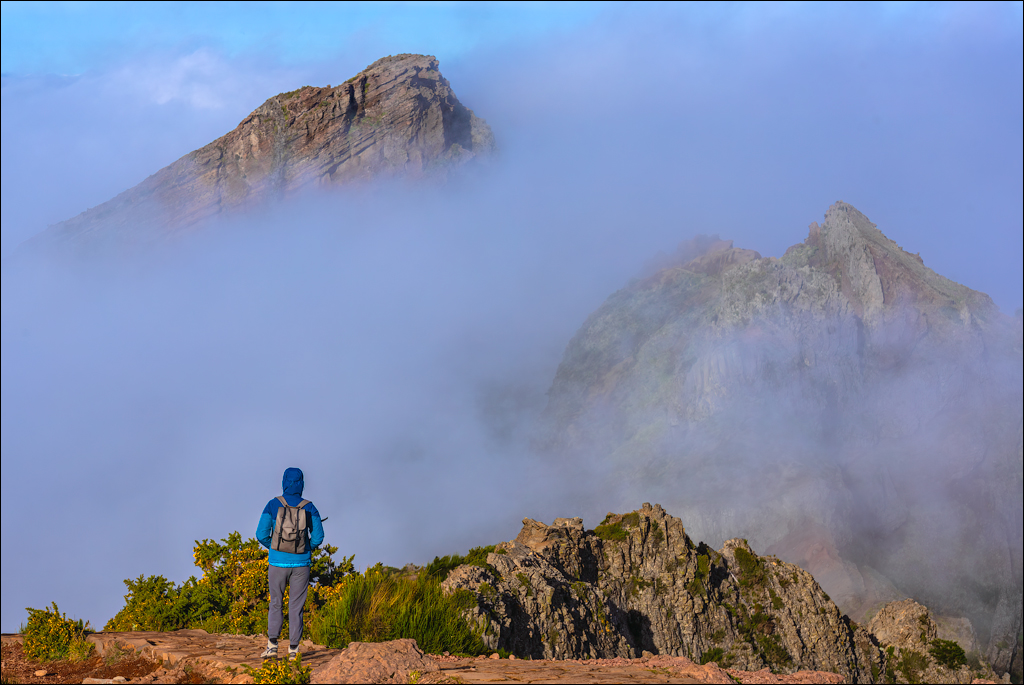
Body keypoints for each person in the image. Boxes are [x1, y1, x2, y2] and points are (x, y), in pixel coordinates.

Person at [256, 467, 324, 660]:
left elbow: (261, 534)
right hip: (302, 564)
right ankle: (293, 651)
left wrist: (276, 547)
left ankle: (272, 647)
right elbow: (318, 536)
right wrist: (305, 548)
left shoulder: (272, 504)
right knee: (296, 606)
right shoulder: (309, 507)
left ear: (284, 482)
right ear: (302, 483)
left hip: (277, 562)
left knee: (276, 603)